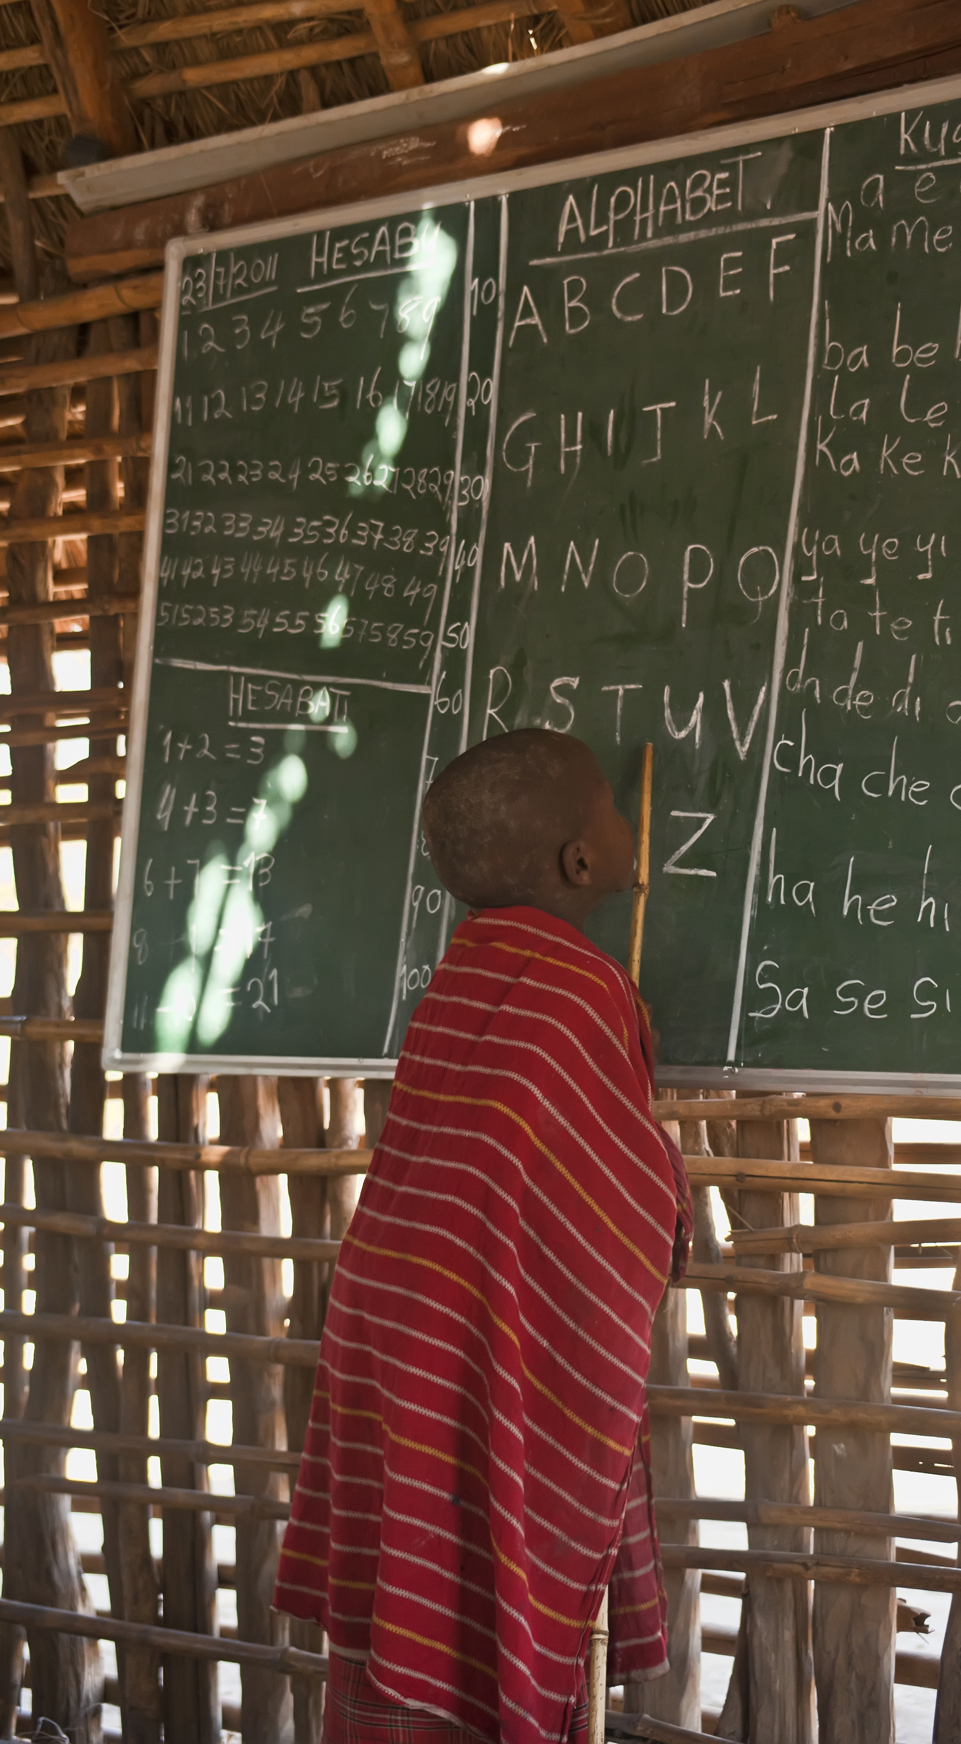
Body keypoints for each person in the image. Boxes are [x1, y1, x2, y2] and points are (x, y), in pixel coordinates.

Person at [274, 728, 692, 1744]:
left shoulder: (454, 987)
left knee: (417, 1568)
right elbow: (624, 1201)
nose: (630, 822)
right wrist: (669, 1186)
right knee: (489, 1550)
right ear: (580, 863)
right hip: (477, 1329)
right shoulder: (585, 993)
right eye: (611, 807)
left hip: (402, 1325)